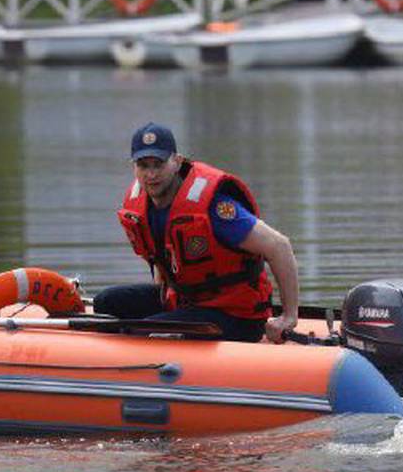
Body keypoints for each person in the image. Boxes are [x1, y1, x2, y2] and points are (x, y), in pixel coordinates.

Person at [94, 122, 301, 344]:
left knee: (143, 334)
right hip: (188, 302)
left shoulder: (212, 206)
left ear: (176, 162)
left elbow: (279, 246)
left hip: (235, 314)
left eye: (159, 164)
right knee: (105, 303)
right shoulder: (142, 207)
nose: (151, 174)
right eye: (143, 165)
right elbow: (163, 258)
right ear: (134, 167)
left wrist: (289, 317)